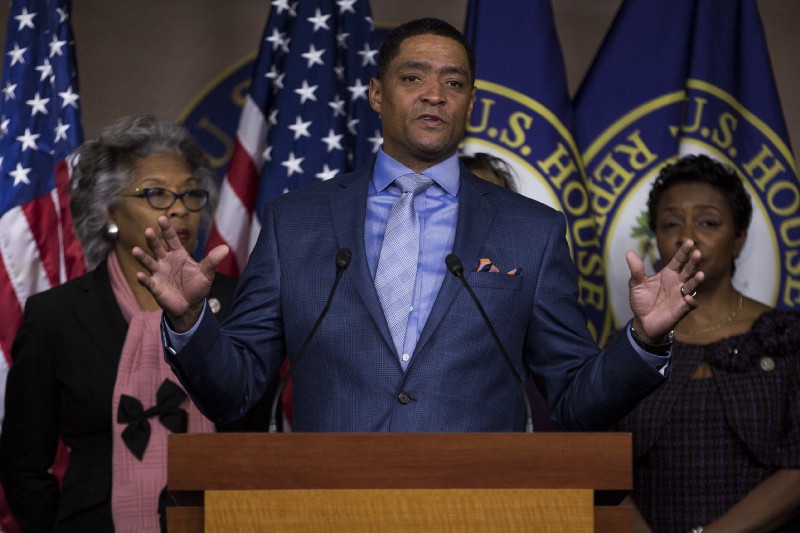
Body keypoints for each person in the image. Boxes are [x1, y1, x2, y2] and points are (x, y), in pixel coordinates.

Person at [133, 18, 703, 433]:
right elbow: (233, 394)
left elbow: (578, 401)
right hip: (325, 501)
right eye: (414, 78)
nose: (435, 94)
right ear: (377, 94)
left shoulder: (531, 230)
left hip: (478, 504)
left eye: (454, 83)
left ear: (471, 103)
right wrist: (188, 322)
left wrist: (644, 340)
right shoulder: (295, 223)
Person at [0, 115, 271, 533]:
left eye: (190, 194)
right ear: (108, 209)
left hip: (226, 520)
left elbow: (260, 443)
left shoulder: (241, 304)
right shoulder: (56, 316)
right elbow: (23, 466)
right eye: (156, 193)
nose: (179, 207)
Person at [617, 154, 800, 532]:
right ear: (656, 240)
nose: (688, 236)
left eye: (707, 221)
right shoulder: (630, 349)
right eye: (671, 223)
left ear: (739, 238)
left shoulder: (787, 338)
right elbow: (601, 469)